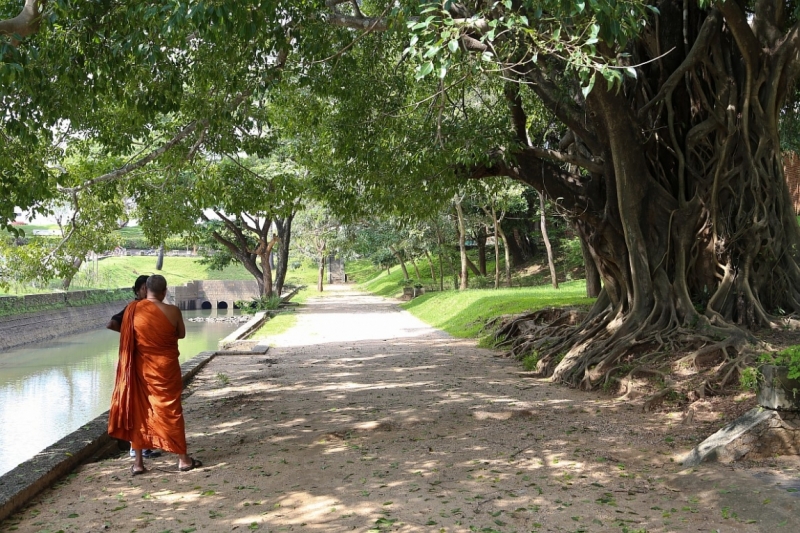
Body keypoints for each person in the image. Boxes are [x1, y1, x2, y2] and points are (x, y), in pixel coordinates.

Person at [108, 274, 202, 475]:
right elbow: (182, 334)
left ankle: (139, 464)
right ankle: (183, 460)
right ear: (164, 291)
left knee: (139, 412)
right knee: (171, 410)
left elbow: (123, 331)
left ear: (145, 289)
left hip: (142, 370)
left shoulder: (133, 311)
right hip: (166, 370)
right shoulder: (173, 311)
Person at [107, 275, 162, 459]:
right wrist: (131, 336)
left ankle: (143, 445)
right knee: (138, 403)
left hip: (149, 362)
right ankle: (137, 447)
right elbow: (112, 323)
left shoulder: (150, 308)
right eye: (145, 288)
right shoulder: (133, 308)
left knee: (147, 403)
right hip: (136, 361)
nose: (148, 291)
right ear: (139, 290)